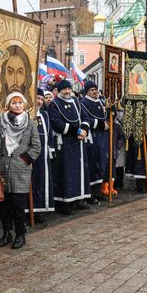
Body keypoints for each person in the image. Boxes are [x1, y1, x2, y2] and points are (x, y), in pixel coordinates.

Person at [0, 92, 40, 249]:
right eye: (14, 102)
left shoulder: (31, 124)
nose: (17, 105)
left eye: (20, 102)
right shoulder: (0, 122)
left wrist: (23, 160)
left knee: (19, 204)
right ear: (8, 105)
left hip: (21, 169)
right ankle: (7, 233)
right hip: (3, 168)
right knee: (3, 204)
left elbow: (36, 147)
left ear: (24, 105)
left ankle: (21, 234)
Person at [47, 79, 91, 215]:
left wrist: (84, 129)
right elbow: (56, 123)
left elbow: (85, 117)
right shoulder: (54, 104)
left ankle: (79, 198)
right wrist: (76, 131)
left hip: (79, 142)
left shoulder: (76, 101)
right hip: (65, 143)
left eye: (69, 89)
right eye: (64, 89)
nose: (67, 91)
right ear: (59, 91)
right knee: (66, 172)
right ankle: (65, 202)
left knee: (79, 171)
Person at [26, 88, 55, 221]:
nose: (39, 101)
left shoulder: (45, 114)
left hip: (43, 154)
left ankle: (40, 209)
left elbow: (49, 133)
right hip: (29, 154)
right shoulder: (26, 114)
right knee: (31, 180)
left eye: (41, 99)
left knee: (42, 180)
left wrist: (51, 148)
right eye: (37, 98)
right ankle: (28, 209)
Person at [80, 81, 111, 200]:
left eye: (95, 89)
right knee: (93, 163)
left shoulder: (99, 101)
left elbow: (105, 116)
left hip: (102, 137)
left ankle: (98, 191)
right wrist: (100, 124)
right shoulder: (84, 103)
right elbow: (86, 119)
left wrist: (109, 115)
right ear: (87, 91)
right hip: (92, 136)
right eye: (92, 90)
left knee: (102, 162)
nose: (94, 92)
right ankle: (91, 193)